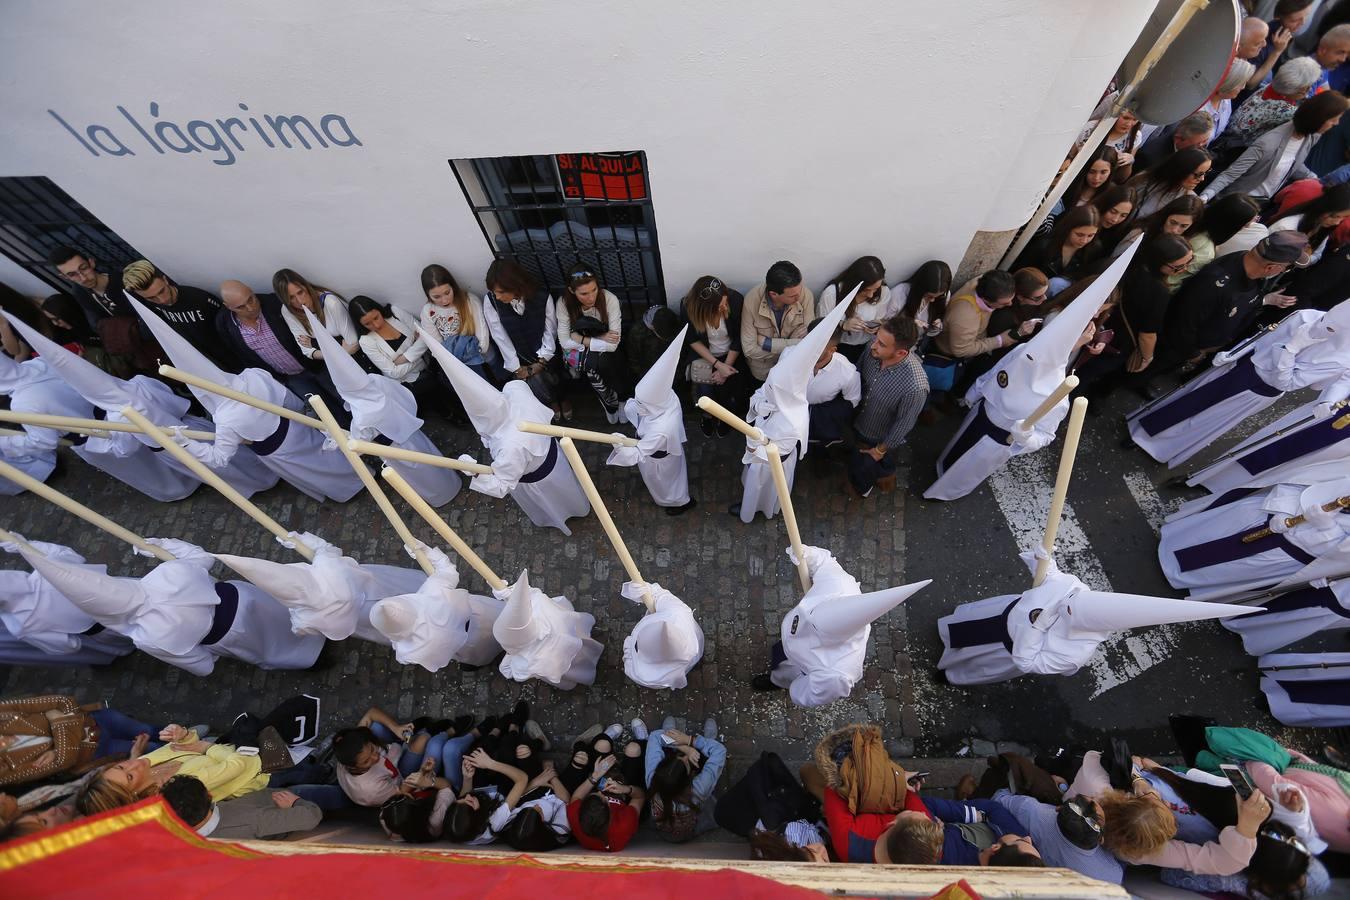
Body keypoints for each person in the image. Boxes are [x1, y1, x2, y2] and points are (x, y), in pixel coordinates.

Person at [2, 309, 281, 502]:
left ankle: (254, 481)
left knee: (215, 466)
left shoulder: (26, 402)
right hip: (167, 426)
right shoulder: (43, 366)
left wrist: (10, 446)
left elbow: (120, 448)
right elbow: (163, 397)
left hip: (139, 438)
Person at [926, 250, 1136, 502]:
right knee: (954, 452)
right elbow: (997, 372)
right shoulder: (1026, 352)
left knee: (965, 472)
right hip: (981, 417)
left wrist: (1025, 436)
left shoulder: (1058, 393)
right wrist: (975, 393)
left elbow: (1046, 435)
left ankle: (946, 492)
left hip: (998, 440)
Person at [129, 295, 364, 503]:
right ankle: (360, 476)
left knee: (315, 472)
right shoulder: (252, 377)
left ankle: (346, 489)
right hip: (296, 429)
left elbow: (218, 459)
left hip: (277, 450)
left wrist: (185, 444)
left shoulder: (224, 418)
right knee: (328, 459)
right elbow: (289, 400)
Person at [22, 537, 326, 677]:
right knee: (285, 608)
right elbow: (202, 558)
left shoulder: (147, 636)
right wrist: (167, 546)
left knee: (274, 648)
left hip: (234, 637)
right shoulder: (165, 575)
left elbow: (203, 666)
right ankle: (324, 621)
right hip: (245, 598)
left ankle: (310, 657)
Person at [938, 552, 1253, 684]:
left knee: (973, 664)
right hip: (1000, 614)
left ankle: (951, 675)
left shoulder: (1075, 654)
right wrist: (1042, 557)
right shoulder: (1076, 589)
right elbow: (1053, 576)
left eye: (1071, 610)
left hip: (1003, 650)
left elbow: (1027, 663)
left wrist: (1035, 627)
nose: (1067, 604)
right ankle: (945, 631)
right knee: (963, 624)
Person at [1132, 300, 1350, 466]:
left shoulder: (1338, 359)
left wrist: (1291, 349)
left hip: (1257, 390)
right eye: (1325, 321)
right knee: (1189, 397)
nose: (1321, 328)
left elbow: (1287, 382)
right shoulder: (1306, 317)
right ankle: (1141, 427)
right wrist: (1236, 352)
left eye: (1330, 329)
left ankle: (1155, 447)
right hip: (1239, 366)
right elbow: (1265, 336)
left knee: (1202, 419)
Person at [423, 335, 590, 535]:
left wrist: (475, 472)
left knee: (554, 502)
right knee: (568, 489)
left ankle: (560, 516)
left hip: (538, 481)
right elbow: (517, 387)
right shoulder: (514, 391)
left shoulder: (509, 446)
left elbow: (501, 485)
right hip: (554, 458)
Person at [302, 307, 460, 507]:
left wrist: (335, 439)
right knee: (431, 460)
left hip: (394, 449)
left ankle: (439, 495)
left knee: (420, 473)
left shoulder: (360, 415)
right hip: (409, 431)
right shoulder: (374, 380)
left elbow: (359, 445)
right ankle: (449, 481)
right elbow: (401, 394)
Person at [753, 544, 929, 705]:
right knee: (782, 658)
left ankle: (778, 681)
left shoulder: (836, 675)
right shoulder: (840, 586)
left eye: (814, 629)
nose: (810, 621)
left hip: (805, 667)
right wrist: (807, 554)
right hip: (794, 640)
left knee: (786, 673)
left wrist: (796, 687)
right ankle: (778, 673)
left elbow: (810, 694)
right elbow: (824, 562)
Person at [1147, 231, 1306, 381]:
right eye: (1287, 267)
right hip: (1174, 349)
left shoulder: (1250, 267)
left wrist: (1264, 300)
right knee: (1146, 372)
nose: (1284, 272)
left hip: (1196, 347)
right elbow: (1183, 324)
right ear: (1271, 267)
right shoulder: (1214, 282)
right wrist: (1194, 354)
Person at [1158, 473, 1350, 594]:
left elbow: (1343, 557)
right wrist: (1284, 507)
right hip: (1275, 512)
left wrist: (1326, 529)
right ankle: (1171, 543)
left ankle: (1175, 572)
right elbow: (1309, 475)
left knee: (1229, 564)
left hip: (1296, 547)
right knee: (1208, 531)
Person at [1078, 235, 1192, 401]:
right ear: (1160, 262)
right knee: (1084, 376)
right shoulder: (1158, 292)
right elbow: (1147, 334)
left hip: (1093, 326)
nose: (1185, 269)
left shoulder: (1127, 263)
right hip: (1115, 343)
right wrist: (1147, 358)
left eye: (1190, 261)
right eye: (1177, 267)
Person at [75, 724, 280, 815]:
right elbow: (239, 765)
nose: (135, 763)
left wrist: (182, 735)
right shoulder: (178, 790)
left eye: (121, 766)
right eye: (129, 776)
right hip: (266, 771)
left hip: (245, 751)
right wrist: (206, 747)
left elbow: (184, 747)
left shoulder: (145, 765)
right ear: (133, 795)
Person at [216, 279, 347, 420]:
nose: (250, 307)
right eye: (240, 307)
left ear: (251, 291)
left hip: (317, 364)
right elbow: (239, 354)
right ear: (228, 307)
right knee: (326, 413)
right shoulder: (225, 324)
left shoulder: (274, 304)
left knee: (345, 397)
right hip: (291, 378)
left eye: (251, 299)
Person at [368, 543, 504, 671]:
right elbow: (447, 570)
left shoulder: (409, 649)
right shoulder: (432, 592)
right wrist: (426, 550)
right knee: (506, 622)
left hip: (469, 646)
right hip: (483, 614)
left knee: (483, 654)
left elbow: (403, 656)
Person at [0, 537, 133, 665]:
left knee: (140, 640)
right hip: (124, 591)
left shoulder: (23, 626)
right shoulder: (47, 568)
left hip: (109, 630)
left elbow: (69, 646)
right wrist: (26, 545)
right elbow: (68, 554)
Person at [606, 326, 694, 513]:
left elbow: (638, 452)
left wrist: (619, 445)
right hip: (662, 451)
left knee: (666, 483)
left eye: (642, 403)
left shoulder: (660, 430)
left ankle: (677, 503)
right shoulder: (667, 398)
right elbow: (637, 408)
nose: (637, 405)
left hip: (658, 460)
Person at [1204, 90, 1349, 200]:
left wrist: (1315, 179)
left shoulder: (1313, 136)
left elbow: (1292, 162)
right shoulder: (1268, 143)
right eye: (1333, 120)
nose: (1336, 124)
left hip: (1262, 202)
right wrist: (1204, 198)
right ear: (1319, 117)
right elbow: (1230, 174)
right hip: (1237, 201)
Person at [0, 695, 161, 788]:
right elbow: (65, 762)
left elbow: (65, 702)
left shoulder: (3, 710)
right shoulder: (4, 774)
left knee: (149, 730)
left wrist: (60, 748)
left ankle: (185, 733)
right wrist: (56, 717)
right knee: (153, 750)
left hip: (97, 720)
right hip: (98, 751)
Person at [850, 315, 927, 499]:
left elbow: (904, 424)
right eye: (876, 338)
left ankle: (875, 482)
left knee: (877, 467)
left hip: (879, 437)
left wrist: (880, 451)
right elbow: (856, 374)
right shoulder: (871, 349)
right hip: (857, 423)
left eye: (882, 344)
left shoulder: (915, 386)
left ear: (901, 353)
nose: (874, 345)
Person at [46, 246, 150, 376]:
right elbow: (98, 325)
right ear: (65, 277)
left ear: (91, 262)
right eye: (72, 274)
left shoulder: (122, 282)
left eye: (83, 268)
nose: (83, 278)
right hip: (138, 347)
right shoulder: (80, 292)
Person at [480, 259, 564, 419]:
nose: (497, 297)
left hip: (544, 351)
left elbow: (550, 330)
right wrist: (517, 367)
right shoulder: (491, 302)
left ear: (515, 285)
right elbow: (499, 335)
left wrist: (541, 361)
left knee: (551, 374)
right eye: (494, 292)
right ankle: (550, 404)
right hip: (519, 355)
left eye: (501, 291)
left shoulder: (542, 296)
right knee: (533, 381)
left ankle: (561, 399)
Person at [492, 570, 603, 690]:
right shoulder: (538, 604)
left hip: (563, 665)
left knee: (575, 668)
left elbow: (508, 671)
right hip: (570, 631)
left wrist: (510, 655)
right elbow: (527, 595)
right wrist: (509, 594)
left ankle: (586, 672)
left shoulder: (525, 663)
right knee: (582, 644)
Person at [121, 260, 234, 370]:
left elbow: (231, 329)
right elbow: (148, 334)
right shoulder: (149, 307)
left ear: (165, 280)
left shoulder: (199, 300)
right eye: (151, 297)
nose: (162, 300)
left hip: (230, 359)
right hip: (199, 364)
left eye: (161, 291)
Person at [713, 750, 824, 860]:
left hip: (758, 814)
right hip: (766, 817)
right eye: (825, 859)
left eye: (813, 852)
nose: (821, 850)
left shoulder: (793, 838)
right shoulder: (814, 843)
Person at [992, 791, 1124, 883]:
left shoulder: (1029, 809)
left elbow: (999, 797)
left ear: (1058, 808)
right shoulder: (1110, 876)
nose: (1095, 798)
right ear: (1100, 839)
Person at [349, 295, 441, 416]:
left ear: (379, 310)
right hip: (409, 380)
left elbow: (424, 334)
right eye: (367, 324)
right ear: (360, 325)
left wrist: (404, 358)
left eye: (376, 318)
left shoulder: (395, 313)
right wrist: (417, 349)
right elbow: (393, 372)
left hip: (430, 362)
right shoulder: (366, 341)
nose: (376, 325)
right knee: (434, 388)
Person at [555, 265, 626, 423]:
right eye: (584, 294)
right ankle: (609, 400)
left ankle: (620, 398)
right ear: (572, 291)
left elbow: (613, 344)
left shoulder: (609, 299)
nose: (591, 297)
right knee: (594, 365)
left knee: (608, 361)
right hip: (583, 352)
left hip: (607, 352)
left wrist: (578, 338)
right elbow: (564, 342)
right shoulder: (564, 303)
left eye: (594, 290)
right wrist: (593, 340)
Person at [681, 275, 747, 436]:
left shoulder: (735, 300)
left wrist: (725, 367)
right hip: (704, 353)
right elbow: (693, 340)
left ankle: (724, 417)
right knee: (705, 388)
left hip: (731, 352)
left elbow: (739, 336)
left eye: (725, 302)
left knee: (725, 389)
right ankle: (707, 415)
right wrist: (717, 365)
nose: (724, 307)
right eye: (719, 306)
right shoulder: (687, 307)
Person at [1219, 58, 1328, 155]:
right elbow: (1312, 127)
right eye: (1307, 87)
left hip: (1229, 137)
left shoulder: (1271, 87)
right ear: (1299, 89)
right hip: (1235, 151)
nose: (1309, 90)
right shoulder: (1286, 111)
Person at [161, 776, 322, 840]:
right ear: (209, 795)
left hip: (262, 798)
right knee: (323, 794)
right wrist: (295, 802)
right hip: (285, 805)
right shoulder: (252, 821)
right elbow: (312, 816)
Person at [644, 718, 726, 842]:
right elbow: (720, 751)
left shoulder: (653, 779)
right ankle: (708, 741)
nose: (686, 758)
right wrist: (689, 741)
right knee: (706, 765)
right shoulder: (698, 789)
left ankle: (671, 738)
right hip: (694, 827)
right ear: (688, 781)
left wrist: (682, 748)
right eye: (686, 764)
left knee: (667, 741)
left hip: (664, 830)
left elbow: (655, 737)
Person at [1166, 194, 1263, 291]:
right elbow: (1172, 281)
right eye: (1245, 225)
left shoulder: (1193, 217)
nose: (1249, 227)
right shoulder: (1206, 251)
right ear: (1232, 224)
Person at [740, 260, 817, 382]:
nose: (799, 297)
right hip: (764, 371)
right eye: (792, 296)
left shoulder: (805, 295)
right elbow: (749, 350)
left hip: (792, 367)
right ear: (774, 294)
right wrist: (792, 343)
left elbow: (810, 341)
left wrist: (768, 344)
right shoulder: (751, 301)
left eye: (800, 290)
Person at [619, 580, 703, 689]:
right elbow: (660, 595)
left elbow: (628, 657)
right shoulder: (677, 612)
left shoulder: (640, 673)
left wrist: (630, 643)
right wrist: (644, 590)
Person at [567, 740, 648, 852]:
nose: (601, 792)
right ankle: (642, 745)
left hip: (599, 779)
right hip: (627, 797)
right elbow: (641, 796)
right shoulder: (623, 826)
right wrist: (624, 789)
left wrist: (595, 776)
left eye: (595, 794)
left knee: (602, 743)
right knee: (634, 749)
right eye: (603, 797)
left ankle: (604, 745)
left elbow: (576, 797)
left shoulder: (577, 818)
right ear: (609, 811)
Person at [921, 794, 1042, 867]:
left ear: (995, 848)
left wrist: (932, 823)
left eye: (1021, 840)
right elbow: (994, 808)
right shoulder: (1018, 857)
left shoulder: (946, 847)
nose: (1028, 838)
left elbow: (924, 805)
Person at [418, 263, 490, 380]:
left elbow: (483, 341)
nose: (444, 300)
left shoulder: (469, 301)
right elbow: (437, 347)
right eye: (437, 297)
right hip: (454, 365)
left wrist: (466, 352)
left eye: (447, 293)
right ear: (428, 295)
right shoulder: (428, 311)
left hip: (478, 358)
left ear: (453, 286)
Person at [815, 256, 892, 363]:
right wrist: (843, 325)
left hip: (867, 347)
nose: (871, 295)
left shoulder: (883, 292)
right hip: (836, 347)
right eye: (866, 290)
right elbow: (819, 324)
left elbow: (882, 319)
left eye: (875, 289)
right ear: (854, 284)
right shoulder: (833, 293)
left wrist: (876, 326)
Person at [273, 268, 359, 362]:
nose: (300, 301)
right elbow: (307, 351)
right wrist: (342, 351)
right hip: (330, 362)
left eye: (300, 292)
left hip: (355, 359)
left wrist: (314, 344)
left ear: (306, 287)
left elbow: (353, 344)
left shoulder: (331, 303)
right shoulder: (287, 311)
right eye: (291, 298)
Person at [1012, 205, 1103, 293]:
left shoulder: (1094, 249)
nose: (1084, 240)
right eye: (1079, 234)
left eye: (1091, 235)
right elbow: (1022, 274)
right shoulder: (1044, 246)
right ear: (1068, 228)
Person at [804, 318, 861, 457]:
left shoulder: (847, 372)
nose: (809, 350)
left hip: (819, 425)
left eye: (817, 347)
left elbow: (852, 402)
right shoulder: (789, 354)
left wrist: (817, 414)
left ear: (832, 349)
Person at [1266, 181, 1350, 265]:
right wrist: (1300, 256)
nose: (1337, 223)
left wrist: (1306, 258)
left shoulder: (1322, 227)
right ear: (1324, 206)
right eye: (1334, 216)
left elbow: (1317, 255)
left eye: (1343, 218)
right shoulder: (1285, 227)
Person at [1109, 194, 1205, 260]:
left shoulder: (1184, 243)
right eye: (1172, 222)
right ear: (1165, 216)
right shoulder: (1139, 233)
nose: (1175, 230)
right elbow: (1114, 260)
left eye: (1183, 226)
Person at [1125, 147, 1213, 218]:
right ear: (1182, 170)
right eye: (1199, 174)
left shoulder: (1189, 201)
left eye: (1206, 172)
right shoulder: (1143, 181)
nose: (1202, 179)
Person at [890, 258, 952, 345]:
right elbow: (884, 324)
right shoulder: (900, 293)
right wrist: (908, 323)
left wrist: (936, 327)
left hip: (916, 345)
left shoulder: (945, 296)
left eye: (939, 296)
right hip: (893, 342)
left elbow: (930, 332)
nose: (933, 300)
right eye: (929, 296)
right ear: (920, 289)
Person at [1133, 111, 1216, 173]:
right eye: (1198, 144)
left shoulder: (1196, 142)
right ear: (1178, 139)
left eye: (1205, 141)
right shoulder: (1149, 158)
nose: (1202, 147)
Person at [1203, 60, 1259, 142]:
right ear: (1229, 84)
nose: (1243, 87)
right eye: (1241, 83)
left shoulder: (1226, 100)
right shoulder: (1200, 109)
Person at [1090, 184, 1141, 253]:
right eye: (1113, 212)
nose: (1115, 219)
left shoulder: (1115, 236)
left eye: (1123, 215)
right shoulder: (1085, 217)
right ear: (1104, 204)